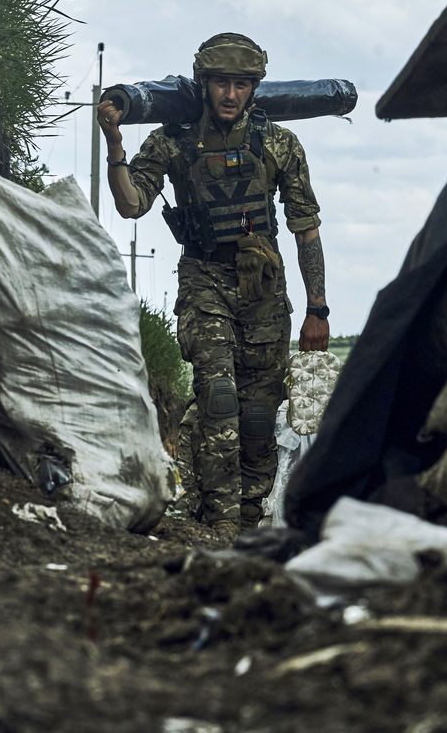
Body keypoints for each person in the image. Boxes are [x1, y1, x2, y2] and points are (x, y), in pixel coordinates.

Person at [97, 32, 331, 541]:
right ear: (203, 85)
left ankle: (247, 518)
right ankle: (219, 520)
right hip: (204, 279)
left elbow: (305, 228)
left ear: (254, 89)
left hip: (264, 289)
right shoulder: (173, 139)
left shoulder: (279, 143)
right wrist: (115, 145)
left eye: (242, 85)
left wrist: (319, 308)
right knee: (218, 393)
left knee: (259, 411)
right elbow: (131, 203)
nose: (231, 94)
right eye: (222, 83)